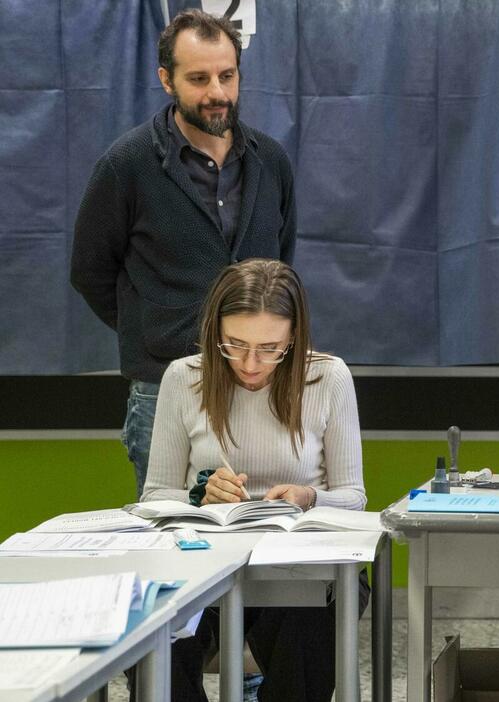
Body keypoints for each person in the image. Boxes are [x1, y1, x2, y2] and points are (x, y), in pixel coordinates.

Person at [70, 8, 296, 498]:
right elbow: (90, 271)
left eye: (227, 75)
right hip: (164, 390)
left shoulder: (270, 161)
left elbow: (282, 267)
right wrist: (154, 326)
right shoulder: (126, 165)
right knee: (172, 535)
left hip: (258, 387)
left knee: (265, 534)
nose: (217, 92)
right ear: (166, 80)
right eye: (198, 78)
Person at [141, 259, 365, 702]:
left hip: (302, 563)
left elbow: (354, 498)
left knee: (308, 632)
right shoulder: (184, 378)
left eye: (269, 348)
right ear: (214, 332)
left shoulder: (328, 377)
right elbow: (154, 496)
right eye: (234, 344)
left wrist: (309, 497)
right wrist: (197, 495)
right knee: (151, 640)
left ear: (295, 336)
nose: (249, 364)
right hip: (203, 561)